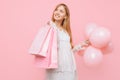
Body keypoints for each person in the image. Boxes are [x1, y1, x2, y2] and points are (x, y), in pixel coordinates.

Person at [44, 3, 90, 80]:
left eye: (61, 11)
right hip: (56, 68)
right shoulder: (51, 27)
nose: (57, 12)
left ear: (65, 16)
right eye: (56, 10)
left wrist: (80, 45)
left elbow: (68, 52)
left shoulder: (65, 32)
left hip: (69, 66)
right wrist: (50, 26)